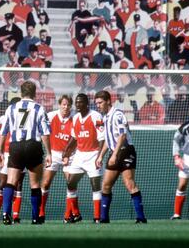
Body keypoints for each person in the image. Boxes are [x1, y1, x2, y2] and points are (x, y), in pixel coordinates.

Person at [0, 81, 52, 225]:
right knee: (34, 183)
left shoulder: (11, 108)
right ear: (35, 93)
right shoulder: (39, 108)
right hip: (33, 145)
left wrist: (0, 151)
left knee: (11, 181)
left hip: (15, 146)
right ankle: (35, 217)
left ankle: (6, 214)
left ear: (21, 93)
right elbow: (45, 133)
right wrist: (49, 153)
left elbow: (3, 132)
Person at [95, 90, 147, 223]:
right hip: (115, 152)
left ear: (108, 101)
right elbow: (108, 139)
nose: (98, 105)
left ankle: (141, 218)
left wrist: (115, 155)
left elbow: (122, 136)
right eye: (96, 103)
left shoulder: (117, 114)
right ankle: (104, 219)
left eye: (100, 102)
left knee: (129, 183)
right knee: (106, 185)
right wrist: (101, 156)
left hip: (125, 151)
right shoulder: (105, 117)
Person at [62, 93, 104, 223]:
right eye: (77, 102)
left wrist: (99, 156)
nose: (78, 105)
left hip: (93, 154)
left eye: (80, 102)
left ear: (86, 103)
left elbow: (102, 138)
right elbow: (74, 137)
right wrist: (67, 150)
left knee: (95, 186)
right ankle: (76, 214)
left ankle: (97, 217)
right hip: (79, 155)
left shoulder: (96, 116)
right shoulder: (75, 118)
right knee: (70, 183)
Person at [0, 97, 26, 224]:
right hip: (7, 153)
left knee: (18, 184)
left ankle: (15, 216)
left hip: (21, 153)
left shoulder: (26, 118)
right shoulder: (4, 119)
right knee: (3, 182)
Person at [39, 95, 73, 223]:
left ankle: (68, 215)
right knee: (45, 182)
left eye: (68, 104)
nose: (66, 107)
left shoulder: (74, 118)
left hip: (69, 155)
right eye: (64, 104)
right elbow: (44, 133)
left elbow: (75, 139)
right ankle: (40, 212)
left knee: (71, 183)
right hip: (53, 153)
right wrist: (48, 153)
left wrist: (68, 154)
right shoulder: (51, 115)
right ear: (59, 104)